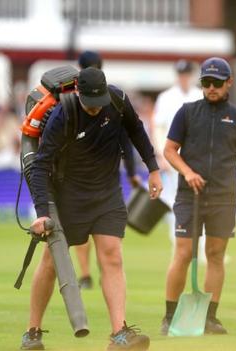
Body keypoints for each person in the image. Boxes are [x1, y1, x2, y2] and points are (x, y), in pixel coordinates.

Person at [22, 67, 162, 350]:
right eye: (90, 104)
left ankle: (119, 334)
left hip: (108, 193)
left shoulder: (117, 100)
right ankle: (32, 332)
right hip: (70, 197)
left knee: (112, 255)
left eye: (100, 104)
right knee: (51, 262)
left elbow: (137, 131)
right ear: (79, 93)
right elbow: (40, 165)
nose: (96, 109)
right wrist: (42, 213)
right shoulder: (64, 115)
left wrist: (153, 168)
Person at [161, 57, 236, 335]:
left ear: (229, 83)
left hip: (224, 197)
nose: (211, 88)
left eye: (217, 83)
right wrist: (187, 172)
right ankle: (169, 316)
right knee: (183, 252)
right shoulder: (187, 112)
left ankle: (210, 318)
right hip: (190, 196)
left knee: (215, 254)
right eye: (206, 82)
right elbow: (169, 150)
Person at [74, 50, 142, 290]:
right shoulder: (72, 100)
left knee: (97, 234)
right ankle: (89, 273)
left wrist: (133, 171)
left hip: (103, 177)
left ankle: (87, 274)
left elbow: (128, 134)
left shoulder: (111, 98)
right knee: (90, 233)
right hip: (85, 176)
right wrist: (132, 171)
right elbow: (127, 139)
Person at [153, 60, 203, 250]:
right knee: (176, 199)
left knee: (201, 200)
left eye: (186, 74)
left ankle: (201, 247)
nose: (184, 78)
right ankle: (179, 244)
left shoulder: (199, 95)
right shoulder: (166, 97)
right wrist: (160, 155)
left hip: (196, 155)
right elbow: (158, 127)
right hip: (173, 155)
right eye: (181, 74)